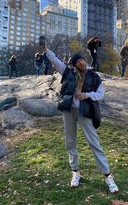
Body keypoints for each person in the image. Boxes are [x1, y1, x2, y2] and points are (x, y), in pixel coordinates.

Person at [44, 46, 119, 193]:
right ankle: (75, 172)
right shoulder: (67, 72)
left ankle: (108, 176)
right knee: (70, 142)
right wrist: (45, 49)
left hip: (85, 111)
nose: (81, 62)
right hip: (69, 110)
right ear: (74, 64)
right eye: (78, 61)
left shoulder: (93, 76)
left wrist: (87, 95)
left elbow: (100, 94)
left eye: (83, 60)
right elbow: (55, 60)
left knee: (94, 142)